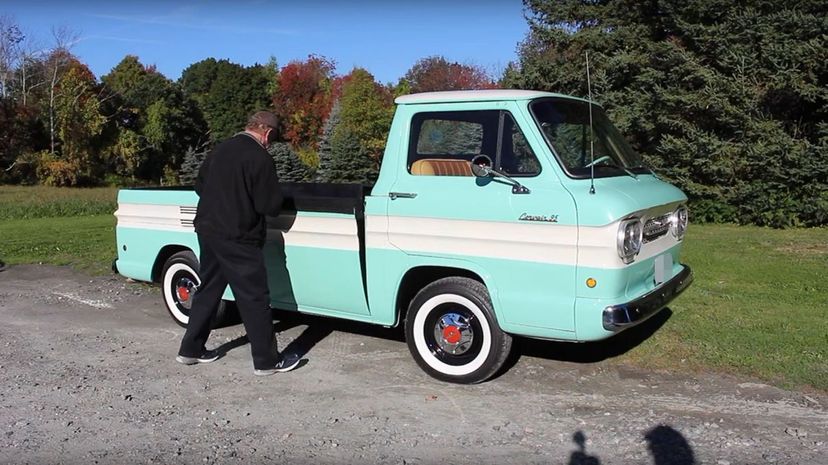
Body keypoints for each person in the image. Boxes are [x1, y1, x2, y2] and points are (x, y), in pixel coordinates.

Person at [176, 110, 300, 376]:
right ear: (267, 133)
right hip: (239, 236)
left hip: (208, 230)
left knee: (208, 288)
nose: (270, 143)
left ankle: (190, 349)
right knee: (254, 296)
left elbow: (200, 187)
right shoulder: (259, 157)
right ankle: (267, 361)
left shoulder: (220, 150)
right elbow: (269, 205)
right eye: (272, 138)